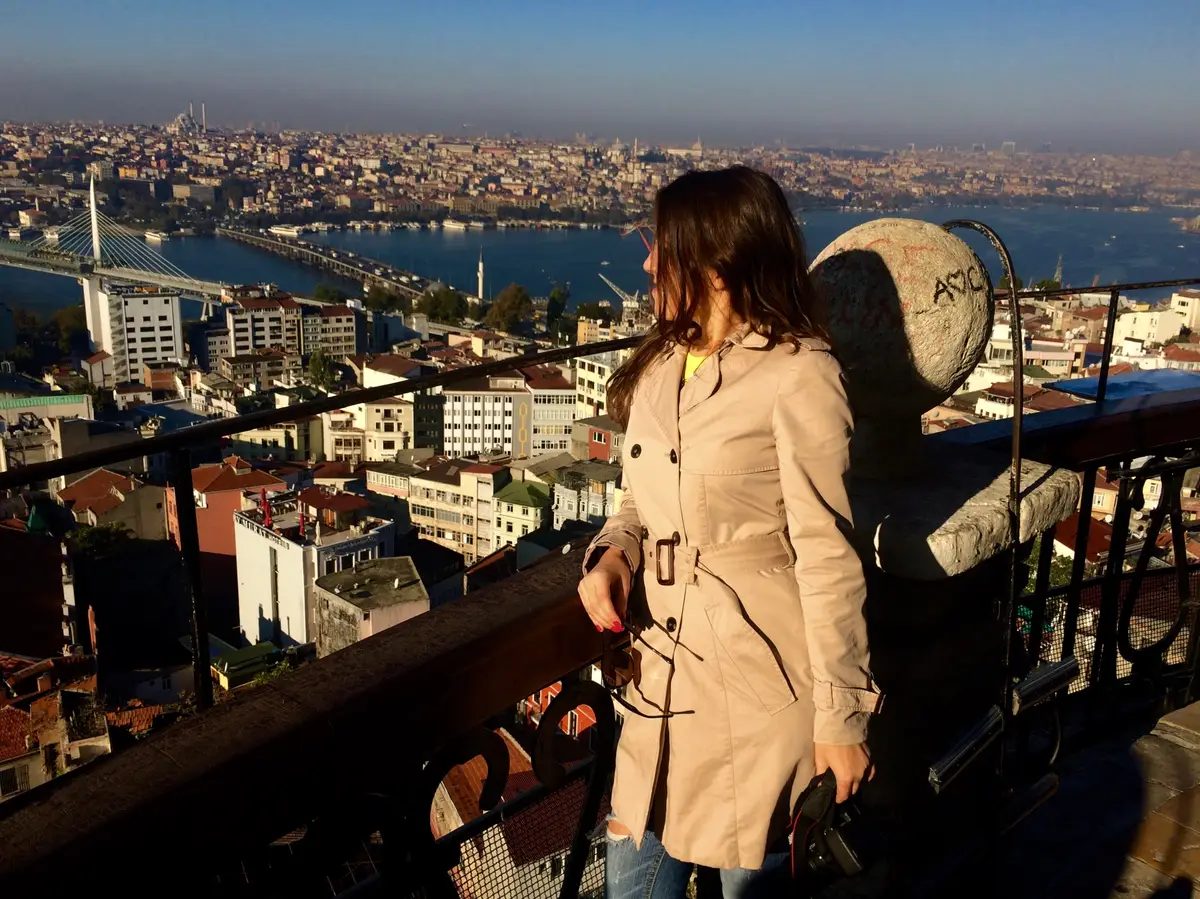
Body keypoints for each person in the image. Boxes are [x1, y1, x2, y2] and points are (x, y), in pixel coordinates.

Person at [576, 166, 881, 899]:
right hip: (660, 690)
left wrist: (842, 718)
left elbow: (828, 556)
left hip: (758, 694)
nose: (648, 263)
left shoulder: (799, 373)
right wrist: (613, 555)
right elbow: (637, 507)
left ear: (718, 260)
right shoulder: (660, 364)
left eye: (664, 245)